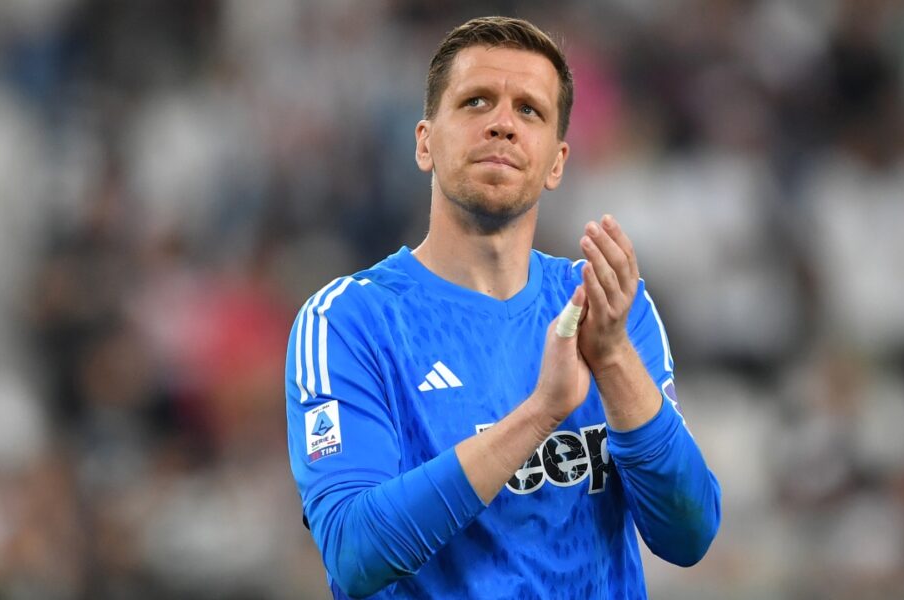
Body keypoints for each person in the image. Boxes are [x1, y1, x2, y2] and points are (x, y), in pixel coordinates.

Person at [285, 16, 721, 599]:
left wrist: (613, 358)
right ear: (424, 142)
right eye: (476, 102)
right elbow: (354, 552)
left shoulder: (608, 307)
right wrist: (540, 413)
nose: (502, 125)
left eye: (529, 111)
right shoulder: (349, 320)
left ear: (557, 161)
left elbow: (688, 536)